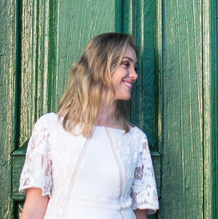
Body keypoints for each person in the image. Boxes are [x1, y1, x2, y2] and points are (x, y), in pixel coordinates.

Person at [19, 32, 159, 219]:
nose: (134, 75)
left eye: (135, 67)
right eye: (126, 64)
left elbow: (140, 214)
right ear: (101, 66)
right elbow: (34, 209)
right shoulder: (51, 127)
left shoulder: (135, 139)